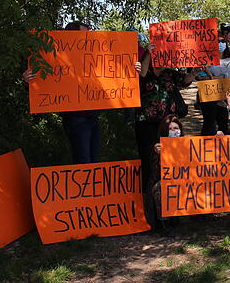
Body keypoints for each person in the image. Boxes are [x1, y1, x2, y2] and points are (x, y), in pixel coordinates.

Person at [22, 21, 141, 164]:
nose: (88, 37)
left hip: (93, 117)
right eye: (84, 34)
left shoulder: (93, 56)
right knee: (83, 162)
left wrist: (132, 68)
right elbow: (45, 85)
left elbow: (114, 70)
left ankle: (92, 186)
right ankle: (87, 185)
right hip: (75, 119)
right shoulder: (55, 56)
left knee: (94, 161)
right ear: (71, 36)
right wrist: (27, 81)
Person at [136, 43, 198, 194]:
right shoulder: (145, 72)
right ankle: (149, 192)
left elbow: (185, 81)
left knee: (170, 157)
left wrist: (195, 72)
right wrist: (148, 53)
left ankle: (171, 190)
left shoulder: (170, 73)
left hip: (168, 124)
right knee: (150, 157)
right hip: (147, 124)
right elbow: (142, 75)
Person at [198, 23, 230, 135]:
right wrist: (214, 77)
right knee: (209, 122)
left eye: (222, 42)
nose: (220, 44)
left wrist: (211, 77)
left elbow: (226, 78)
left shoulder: (228, 60)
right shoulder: (206, 57)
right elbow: (200, 76)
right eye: (218, 41)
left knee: (223, 122)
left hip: (221, 95)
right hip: (207, 94)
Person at [149, 115, 184, 236]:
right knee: (158, 188)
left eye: (176, 128)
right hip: (170, 184)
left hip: (186, 182)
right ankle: (164, 223)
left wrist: (217, 138)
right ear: (165, 131)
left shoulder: (188, 144)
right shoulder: (158, 147)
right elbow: (154, 175)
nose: (174, 131)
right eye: (171, 129)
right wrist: (158, 156)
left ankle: (201, 217)